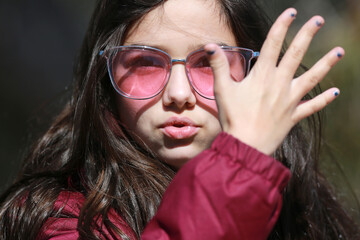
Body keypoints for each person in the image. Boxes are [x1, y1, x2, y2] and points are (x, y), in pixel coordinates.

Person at [0, 0, 359, 239]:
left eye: (208, 63)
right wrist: (240, 165)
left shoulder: (299, 207)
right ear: (105, 80)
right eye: (145, 63)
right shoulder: (59, 219)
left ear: (255, 74)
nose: (178, 93)